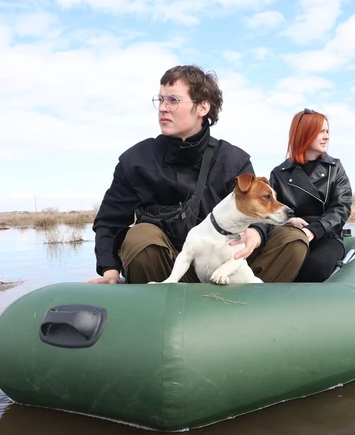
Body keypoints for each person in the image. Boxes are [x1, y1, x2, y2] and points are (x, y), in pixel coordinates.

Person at [88, 65, 307, 284]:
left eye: (173, 100)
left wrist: (256, 233)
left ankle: (248, 306)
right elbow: (109, 222)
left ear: (203, 107)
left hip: (226, 270)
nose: (163, 108)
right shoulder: (135, 161)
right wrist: (110, 270)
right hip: (168, 271)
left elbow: (259, 208)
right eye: (160, 99)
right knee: (140, 236)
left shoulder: (234, 160)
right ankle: (162, 308)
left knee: (292, 240)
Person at [270, 108, 353, 282]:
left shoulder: (334, 168)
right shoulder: (279, 173)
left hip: (326, 234)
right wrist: (288, 221)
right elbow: (270, 211)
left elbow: (341, 206)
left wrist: (316, 229)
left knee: (316, 267)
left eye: (327, 131)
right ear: (305, 133)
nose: (327, 137)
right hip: (291, 235)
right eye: (321, 131)